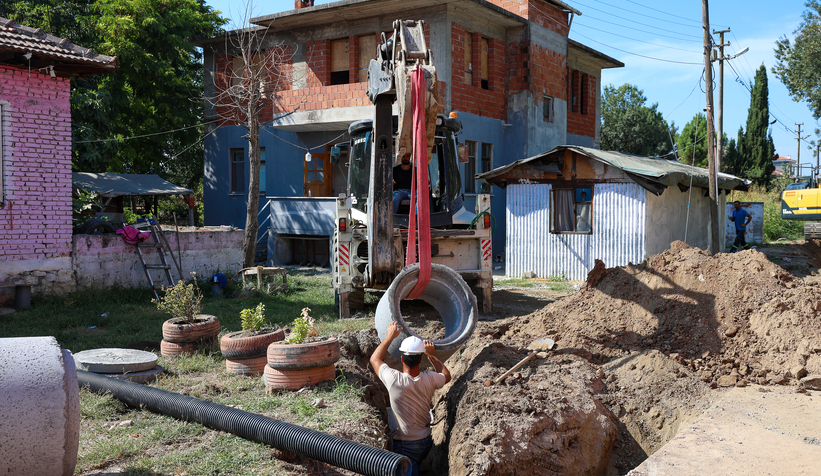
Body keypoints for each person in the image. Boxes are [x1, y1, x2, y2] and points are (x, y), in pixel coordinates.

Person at [370, 322, 451, 476]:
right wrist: (431, 355)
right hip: (426, 441)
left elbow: (375, 359)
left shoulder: (393, 379)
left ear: (401, 359)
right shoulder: (430, 379)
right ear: (420, 360)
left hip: (403, 445)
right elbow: (446, 376)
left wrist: (389, 337)